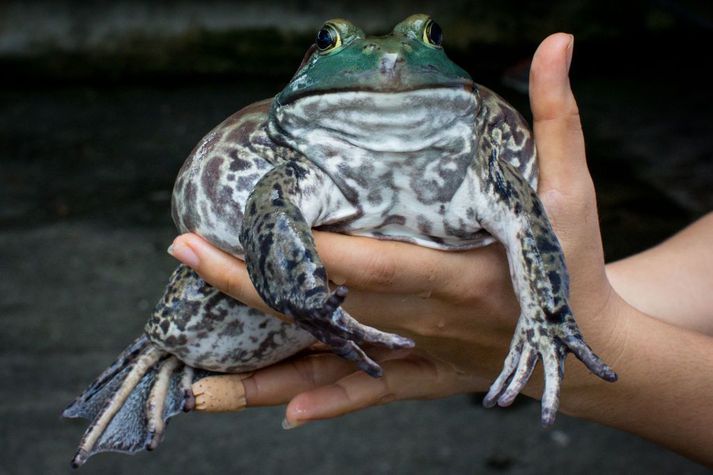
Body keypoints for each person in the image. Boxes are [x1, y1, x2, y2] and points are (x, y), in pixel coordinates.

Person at [167, 33, 713, 466]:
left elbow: (524, 221)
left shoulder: (477, 149)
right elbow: (270, 214)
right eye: (332, 42)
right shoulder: (297, 155)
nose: (389, 63)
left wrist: (571, 327)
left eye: (426, 38)